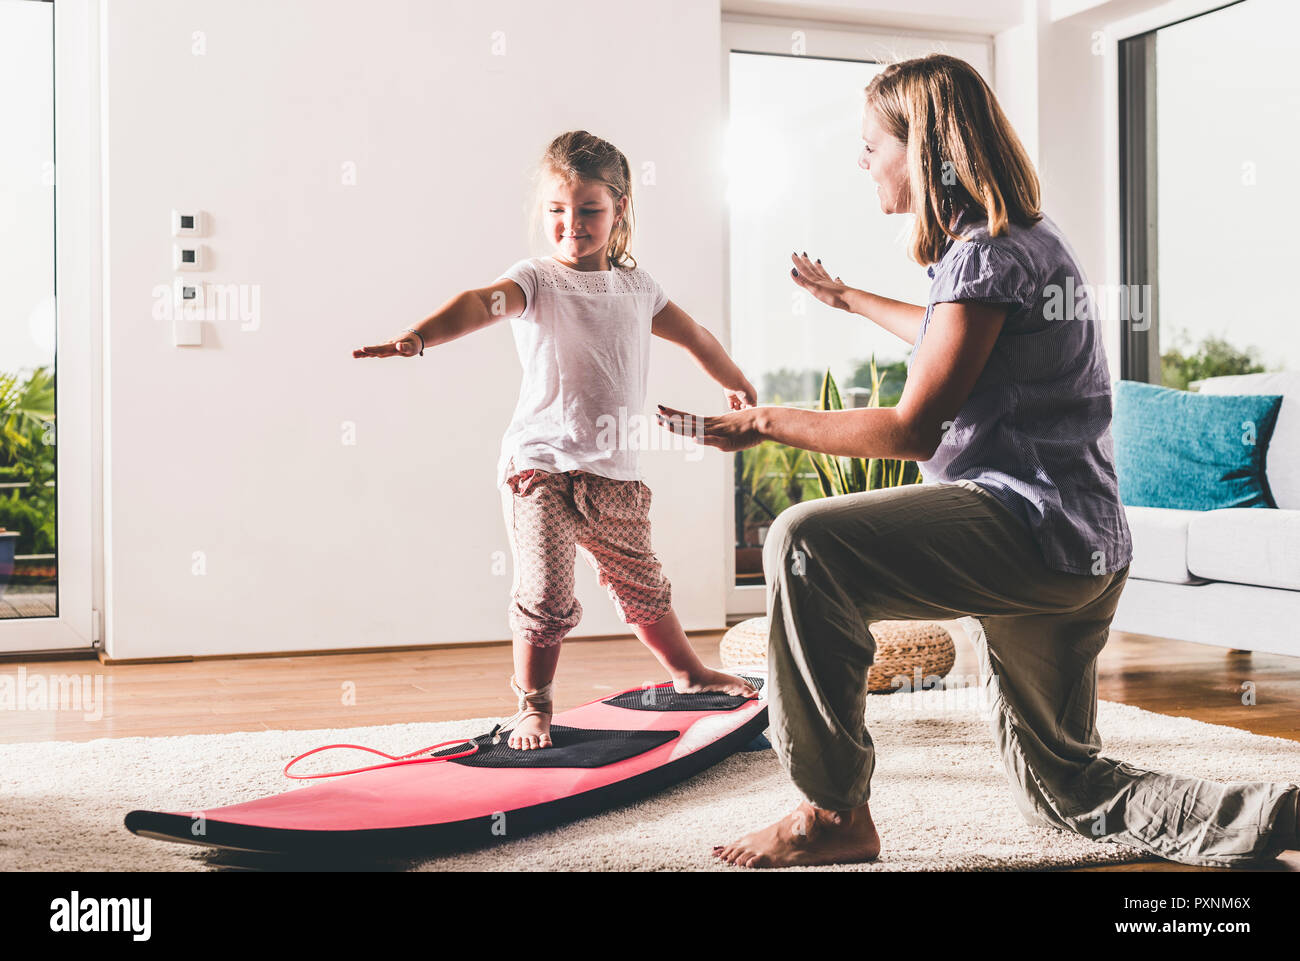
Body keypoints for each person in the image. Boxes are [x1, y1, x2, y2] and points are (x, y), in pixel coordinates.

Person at [658, 53, 1300, 869]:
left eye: (871, 146)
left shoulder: (986, 254)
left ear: (923, 151)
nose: (862, 163)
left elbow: (911, 427)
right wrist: (848, 296)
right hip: (1083, 549)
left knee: (805, 541)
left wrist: (767, 421)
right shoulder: (1015, 240)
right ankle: (1274, 816)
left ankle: (832, 814)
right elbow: (947, 331)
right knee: (1066, 783)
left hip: (1026, 530)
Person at [354, 130, 758, 751]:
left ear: (619, 209)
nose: (572, 224)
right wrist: (419, 336)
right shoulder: (536, 280)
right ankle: (533, 707)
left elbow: (696, 335)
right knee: (545, 592)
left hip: (614, 468)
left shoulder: (637, 287)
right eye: (558, 211)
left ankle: (688, 672)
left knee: (641, 582)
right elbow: (477, 303)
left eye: (590, 210)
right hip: (540, 463)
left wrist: (732, 381)